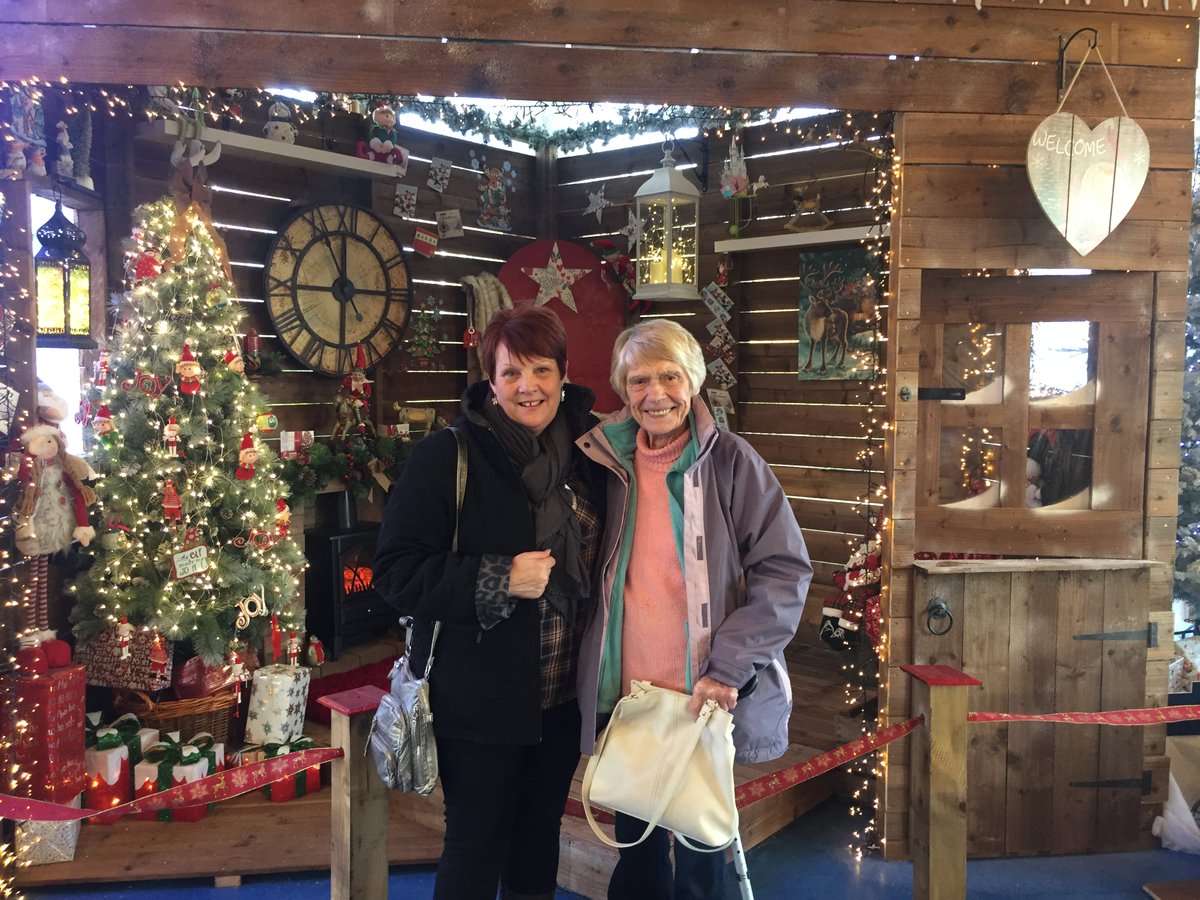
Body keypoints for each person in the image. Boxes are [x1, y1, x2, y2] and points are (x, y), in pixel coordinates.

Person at [374, 305, 605, 900]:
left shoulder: (591, 455)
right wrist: (498, 578)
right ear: (491, 381)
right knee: (475, 846)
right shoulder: (447, 456)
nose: (528, 386)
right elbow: (396, 572)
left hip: (561, 697)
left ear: (564, 374)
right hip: (477, 702)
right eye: (511, 373)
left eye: (542, 370)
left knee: (537, 842)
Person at [577, 318, 812, 900]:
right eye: (638, 380)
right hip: (629, 695)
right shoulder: (606, 461)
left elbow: (784, 571)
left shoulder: (731, 462)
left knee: (702, 860)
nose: (654, 394)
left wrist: (729, 668)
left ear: (694, 381)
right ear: (622, 388)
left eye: (669, 377)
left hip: (703, 694)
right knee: (636, 851)